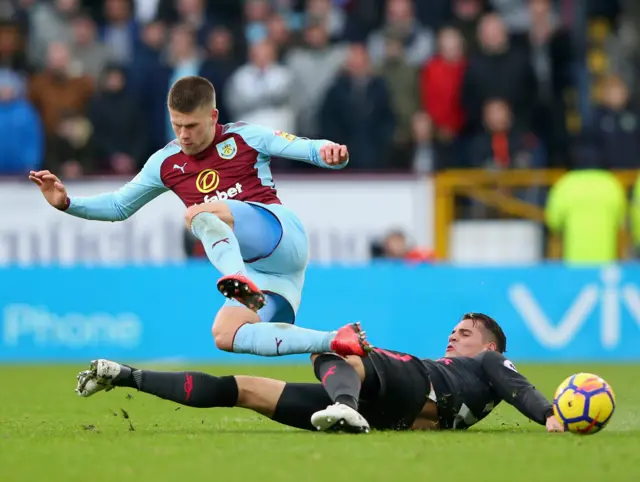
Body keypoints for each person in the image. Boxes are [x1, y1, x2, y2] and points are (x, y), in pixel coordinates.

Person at [28, 75, 365, 359]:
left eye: (191, 125)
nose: (184, 134)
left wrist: (330, 154)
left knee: (199, 213)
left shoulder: (245, 136)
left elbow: (305, 147)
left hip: (280, 235)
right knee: (225, 334)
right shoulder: (165, 163)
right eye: (177, 125)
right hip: (271, 277)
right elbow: (119, 206)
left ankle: (238, 281)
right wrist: (67, 203)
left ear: (213, 116)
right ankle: (335, 339)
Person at [75, 314, 565, 434]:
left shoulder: (490, 362)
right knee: (243, 390)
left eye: (465, 331)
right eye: (454, 330)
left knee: (333, 346)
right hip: (391, 405)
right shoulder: (466, 375)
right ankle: (126, 375)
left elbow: (516, 385)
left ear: (491, 344)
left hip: (410, 388)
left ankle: (345, 408)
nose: (454, 337)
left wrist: (549, 415)